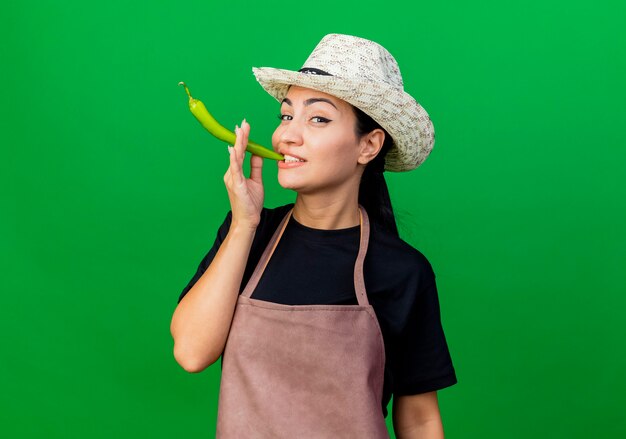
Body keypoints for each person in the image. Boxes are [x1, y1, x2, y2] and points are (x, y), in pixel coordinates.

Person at [171, 33, 457, 438]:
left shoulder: (402, 271)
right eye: (286, 116)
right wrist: (243, 225)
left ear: (369, 145)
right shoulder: (249, 234)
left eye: (318, 118)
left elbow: (421, 418)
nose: (287, 136)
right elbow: (191, 352)